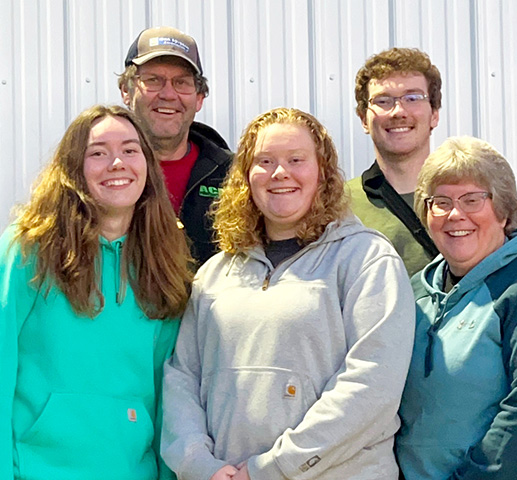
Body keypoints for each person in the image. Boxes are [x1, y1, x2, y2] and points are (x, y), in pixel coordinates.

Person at [161, 107, 415, 480]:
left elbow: (373, 384)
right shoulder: (216, 275)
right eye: (265, 161)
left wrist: (275, 466)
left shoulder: (366, 258)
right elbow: (182, 377)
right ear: (246, 177)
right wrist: (200, 465)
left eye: (296, 160)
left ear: (322, 172)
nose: (280, 173)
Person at [0, 105, 193, 479]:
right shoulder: (27, 250)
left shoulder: (162, 265)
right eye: (98, 152)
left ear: (148, 167)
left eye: (130, 150)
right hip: (37, 469)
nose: (117, 163)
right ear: (73, 168)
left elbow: (168, 397)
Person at [395, 136, 517, 479]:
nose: (455, 214)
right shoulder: (413, 292)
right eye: (440, 201)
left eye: (472, 199)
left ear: (503, 211)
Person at [118, 26, 233, 266]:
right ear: (126, 91)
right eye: (153, 80)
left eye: (181, 82)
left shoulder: (237, 177)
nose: (169, 94)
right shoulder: (100, 173)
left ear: (199, 98)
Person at [346, 47, 442, 276]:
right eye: (383, 100)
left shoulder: (470, 199)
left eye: (412, 98)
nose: (398, 111)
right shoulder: (337, 206)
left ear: (435, 113)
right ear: (363, 119)